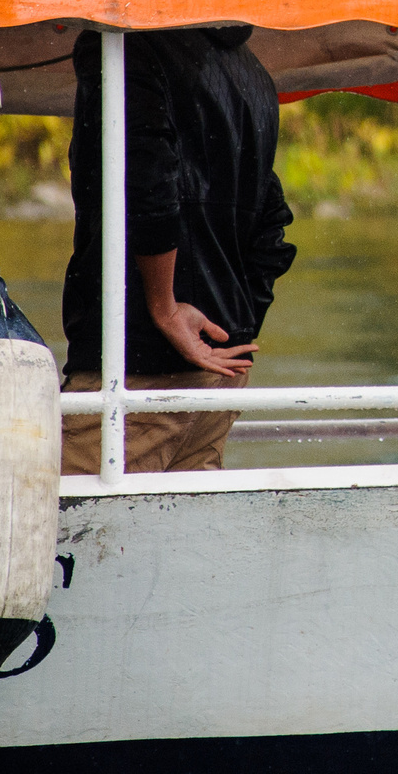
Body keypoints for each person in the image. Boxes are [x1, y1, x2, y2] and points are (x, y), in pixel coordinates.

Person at [61, 25, 298, 474]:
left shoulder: (121, 46)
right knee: (178, 536)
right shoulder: (254, 73)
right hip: (218, 373)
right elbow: (272, 227)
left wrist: (166, 309)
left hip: (134, 367)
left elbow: (148, 182)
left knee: (70, 533)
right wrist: (231, 330)